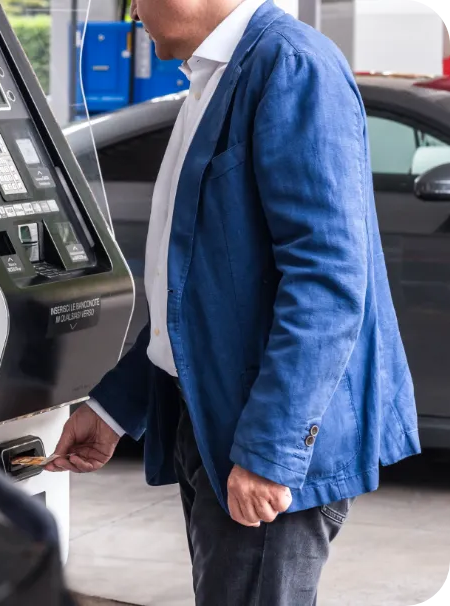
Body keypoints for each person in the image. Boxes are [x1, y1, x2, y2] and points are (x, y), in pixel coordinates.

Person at [46, 0, 421, 603]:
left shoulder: (291, 66)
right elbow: (197, 290)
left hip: (258, 437)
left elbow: (327, 280)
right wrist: (116, 408)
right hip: (211, 417)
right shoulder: (215, 77)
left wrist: (270, 452)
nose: (134, 9)